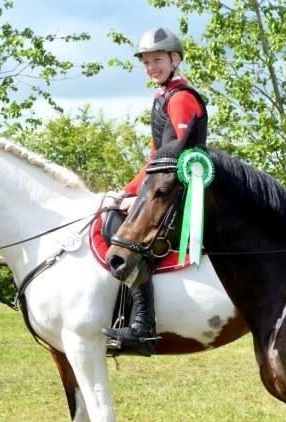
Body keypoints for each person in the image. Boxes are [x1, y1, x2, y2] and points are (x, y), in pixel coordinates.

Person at [103, 27, 208, 353]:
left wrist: (140, 196)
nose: (152, 67)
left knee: (130, 233)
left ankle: (142, 325)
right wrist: (125, 191)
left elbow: (174, 155)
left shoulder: (181, 98)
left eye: (158, 60)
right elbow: (154, 159)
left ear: (175, 59)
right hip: (164, 184)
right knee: (113, 215)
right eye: (147, 62)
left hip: (181, 189)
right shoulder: (163, 97)